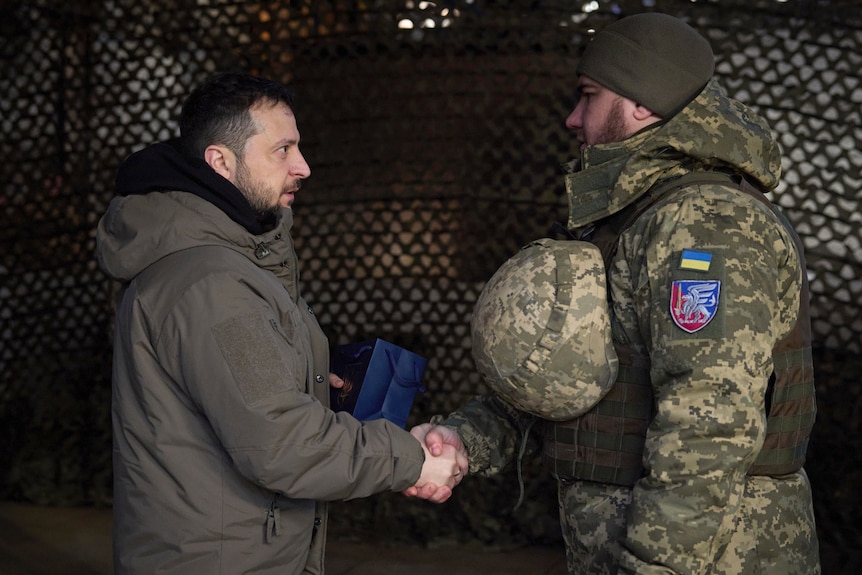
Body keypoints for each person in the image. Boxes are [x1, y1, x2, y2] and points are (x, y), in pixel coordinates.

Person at [407, 12, 820, 575]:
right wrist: (463, 441)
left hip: (715, 558)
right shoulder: (636, 213)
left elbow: (710, 423)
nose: (574, 119)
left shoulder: (705, 223)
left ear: (641, 103)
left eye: (589, 96)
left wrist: (653, 566)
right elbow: (578, 377)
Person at [95, 72, 464, 575]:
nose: (303, 167)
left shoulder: (228, 263)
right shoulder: (212, 284)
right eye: (282, 150)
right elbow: (284, 446)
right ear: (220, 162)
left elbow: (236, 395)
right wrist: (414, 459)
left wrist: (302, 375)